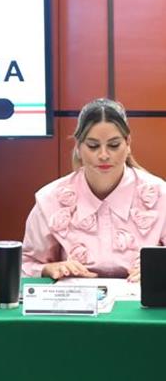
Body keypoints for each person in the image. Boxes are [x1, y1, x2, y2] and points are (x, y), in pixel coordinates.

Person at [22, 98, 166, 282]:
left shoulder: (161, 196)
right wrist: (49, 268)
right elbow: (26, 264)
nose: (104, 155)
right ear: (78, 146)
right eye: (93, 146)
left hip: (142, 298)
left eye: (114, 145)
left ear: (128, 143)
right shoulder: (50, 199)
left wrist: (159, 270)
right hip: (74, 298)